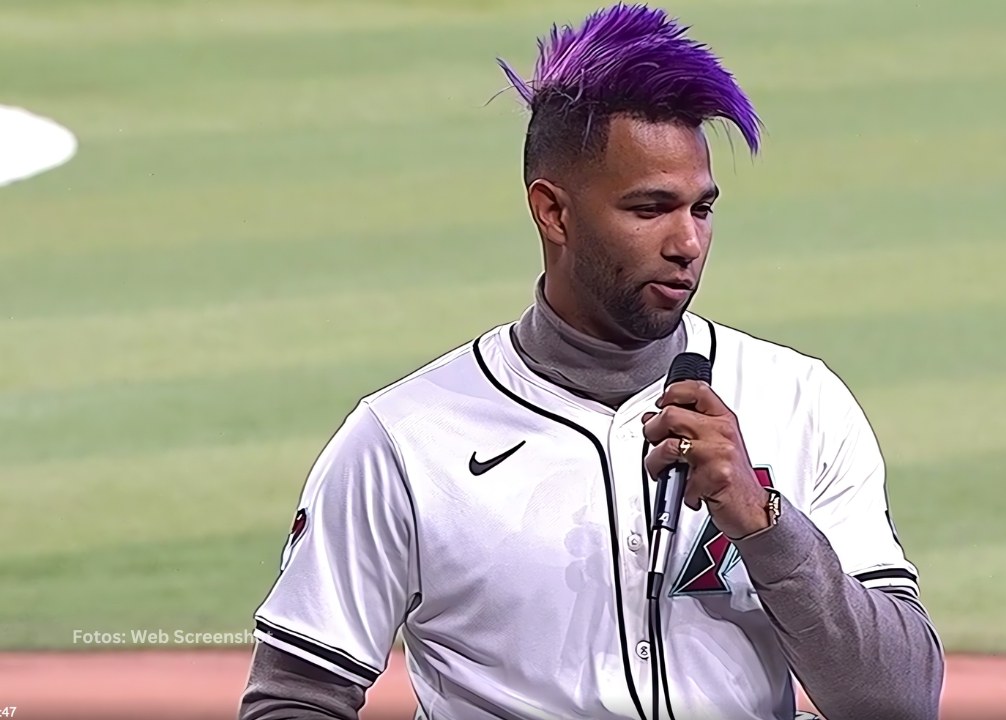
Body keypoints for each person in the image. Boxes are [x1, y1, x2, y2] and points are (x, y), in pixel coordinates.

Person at [238, 4, 944, 719]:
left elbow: (902, 702)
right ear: (554, 212)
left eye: (701, 209)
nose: (687, 243)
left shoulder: (800, 401)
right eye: (650, 208)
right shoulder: (405, 440)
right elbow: (294, 699)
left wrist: (763, 523)